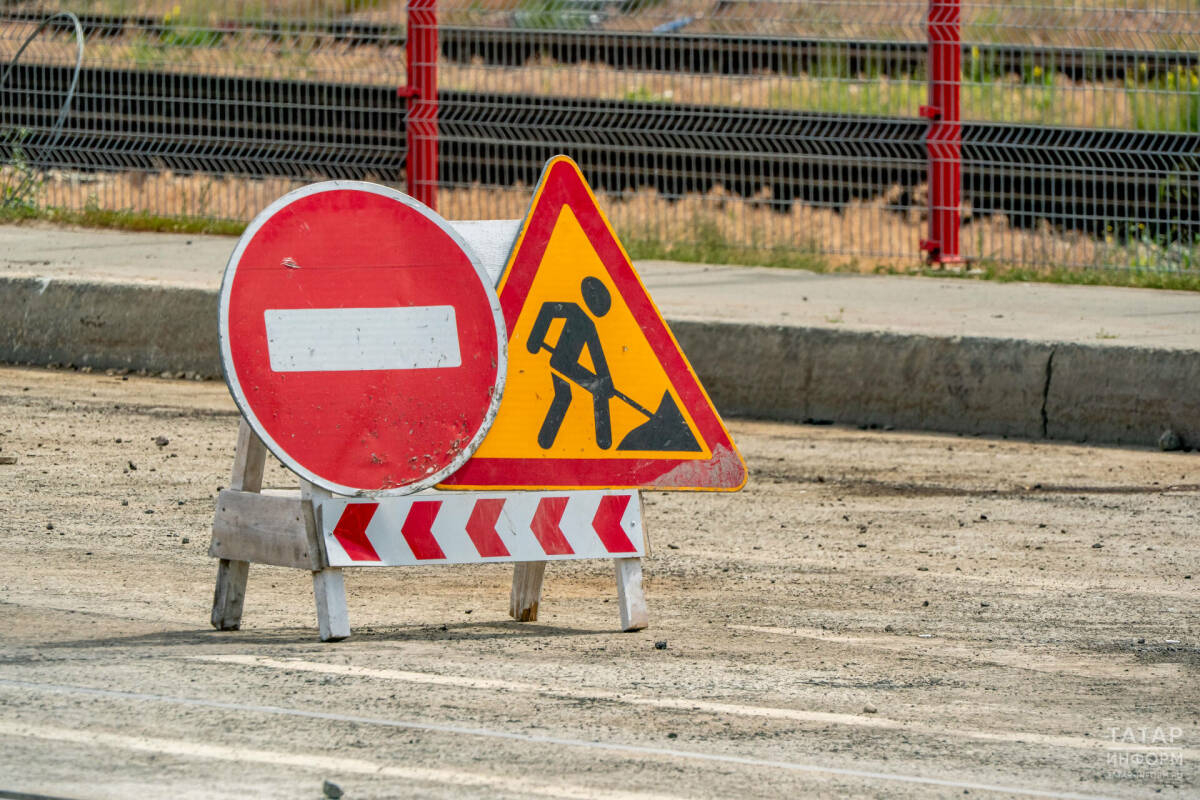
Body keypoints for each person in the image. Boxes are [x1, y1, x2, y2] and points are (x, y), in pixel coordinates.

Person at [526, 276, 615, 449]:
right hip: (561, 362)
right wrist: (534, 342)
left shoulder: (589, 325)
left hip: (566, 364)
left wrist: (607, 379)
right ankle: (604, 441)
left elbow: (598, 356)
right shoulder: (573, 310)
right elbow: (547, 309)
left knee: (566, 396)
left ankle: (545, 441)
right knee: (597, 390)